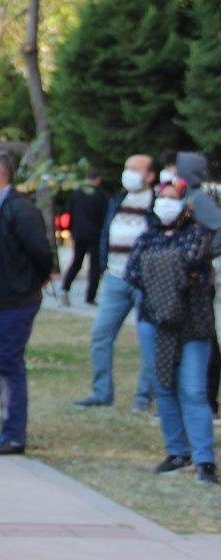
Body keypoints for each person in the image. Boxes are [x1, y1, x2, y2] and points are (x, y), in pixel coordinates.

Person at [127, 179, 217, 484]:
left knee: (193, 389)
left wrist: (159, 267)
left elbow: (193, 261)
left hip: (191, 324)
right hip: (152, 321)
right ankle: (177, 450)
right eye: (161, 198)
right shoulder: (146, 237)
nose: (165, 204)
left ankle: (204, 459)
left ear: (185, 204)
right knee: (162, 386)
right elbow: (133, 273)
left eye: (171, 198)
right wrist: (173, 268)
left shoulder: (198, 235)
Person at [0, 150, 54, 455]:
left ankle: (14, 434)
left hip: (12, 301)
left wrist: (32, 280)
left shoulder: (20, 208)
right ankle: (7, 427)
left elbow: (41, 252)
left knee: (8, 365)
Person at [74, 155, 158, 411]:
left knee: (149, 341)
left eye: (135, 169)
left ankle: (144, 397)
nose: (128, 173)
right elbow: (105, 233)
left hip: (146, 281)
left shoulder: (158, 201)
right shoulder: (118, 199)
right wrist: (103, 266)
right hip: (115, 278)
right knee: (100, 335)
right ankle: (101, 393)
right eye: (127, 167)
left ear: (150, 175)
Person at [174, 152, 221, 421]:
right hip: (185, 280)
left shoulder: (198, 199)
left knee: (206, 338)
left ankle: (208, 399)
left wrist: (202, 254)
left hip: (199, 282)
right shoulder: (185, 197)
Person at [62, 168, 109, 306]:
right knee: (94, 265)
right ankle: (90, 296)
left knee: (77, 261)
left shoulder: (76, 194)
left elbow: (70, 213)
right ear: (98, 179)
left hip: (79, 232)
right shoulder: (101, 195)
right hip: (95, 234)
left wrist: (71, 230)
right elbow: (105, 216)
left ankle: (65, 286)